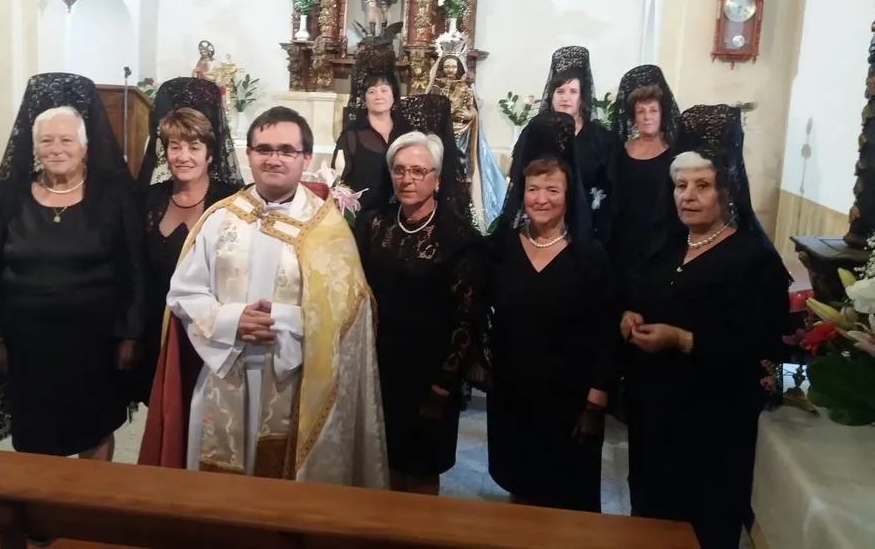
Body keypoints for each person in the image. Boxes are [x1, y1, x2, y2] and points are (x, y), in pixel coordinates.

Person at [138, 106, 388, 488]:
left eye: (286, 150)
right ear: (249, 154)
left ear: (306, 158)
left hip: (295, 381)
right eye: (264, 149)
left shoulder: (326, 228)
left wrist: (281, 321)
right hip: (223, 369)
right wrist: (231, 320)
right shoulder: (220, 218)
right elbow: (184, 292)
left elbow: (350, 315)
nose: (274, 159)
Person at [621, 104, 792, 548]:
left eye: (702, 185)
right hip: (653, 419)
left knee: (702, 531)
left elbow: (765, 352)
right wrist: (630, 315)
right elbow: (640, 296)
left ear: (728, 192)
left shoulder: (754, 260)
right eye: (681, 185)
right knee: (649, 525)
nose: (688, 196)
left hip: (713, 427)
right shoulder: (667, 246)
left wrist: (682, 339)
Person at [0, 73, 144, 462]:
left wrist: (130, 333)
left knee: (94, 427)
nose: (56, 149)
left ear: (85, 147)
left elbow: (134, 270)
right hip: (27, 345)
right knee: (34, 433)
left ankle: (90, 499)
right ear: (34, 148)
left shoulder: (112, 198)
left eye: (66, 140)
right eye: (46, 141)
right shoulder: (11, 196)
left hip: (94, 344)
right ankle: (41, 500)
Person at [485, 111, 618, 511]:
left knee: (565, 502)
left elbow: (605, 334)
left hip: (569, 398)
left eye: (552, 190)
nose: (541, 199)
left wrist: (596, 402)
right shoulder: (503, 248)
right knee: (520, 491)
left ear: (569, 195)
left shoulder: (589, 256)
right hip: (513, 394)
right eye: (533, 189)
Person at [354, 94, 486, 495]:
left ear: (437, 178)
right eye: (399, 170)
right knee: (385, 462)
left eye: (418, 171)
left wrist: (443, 386)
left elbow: (468, 319)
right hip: (380, 368)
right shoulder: (372, 224)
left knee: (424, 470)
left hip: (430, 374)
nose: (407, 179)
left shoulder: (458, 238)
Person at [134, 77, 244, 404]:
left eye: (194, 147)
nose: (183, 156)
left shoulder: (233, 202)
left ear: (210, 155)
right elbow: (134, 271)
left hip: (210, 335)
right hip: (156, 328)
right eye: (175, 147)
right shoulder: (148, 200)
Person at [527, 46, 617, 245]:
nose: (565, 97)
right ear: (551, 96)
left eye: (573, 91)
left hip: (590, 229)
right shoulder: (535, 132)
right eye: (560, 91)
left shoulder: (603, 139)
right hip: (543, 224)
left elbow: (610, 190)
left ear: (581, 97)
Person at [425, 29, 506, 232]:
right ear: (441, 68)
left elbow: (473, 111)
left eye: (454, 66)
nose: (451, 70)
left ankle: (464, 204)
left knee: (462, 171)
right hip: (441, 134)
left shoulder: (465, 88)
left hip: (462, 132)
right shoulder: (436, 88)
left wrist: (468, 114)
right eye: (447, 66)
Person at [607, 64, 682, 275]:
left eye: (653, 110)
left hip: (659, 242)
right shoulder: (619, 152)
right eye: (641, 111)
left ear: (662, 114)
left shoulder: (674, 155)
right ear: (634, 117)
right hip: (621, 241)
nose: (647, 116)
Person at [332, 37, 411, 212]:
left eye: (384, 90)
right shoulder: (351, 136)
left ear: (393, 95)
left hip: (402, 216)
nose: (378, 96)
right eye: (372, 91)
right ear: (364, 98)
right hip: (363, 216)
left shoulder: (406, 133)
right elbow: (338, 181)